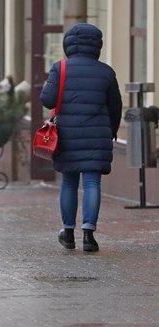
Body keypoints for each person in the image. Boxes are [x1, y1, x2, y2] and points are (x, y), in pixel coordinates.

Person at [40, 23, 122, 253]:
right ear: (97, 45)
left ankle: (67, 232)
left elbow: (47, 99)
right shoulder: (106, 72)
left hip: (67, 136)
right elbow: (116, 107)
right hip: (97, 136)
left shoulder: (60, 68)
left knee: (68, 182)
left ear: (69, 44)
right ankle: (88, 234)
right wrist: (111, 131)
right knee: (92, 183)